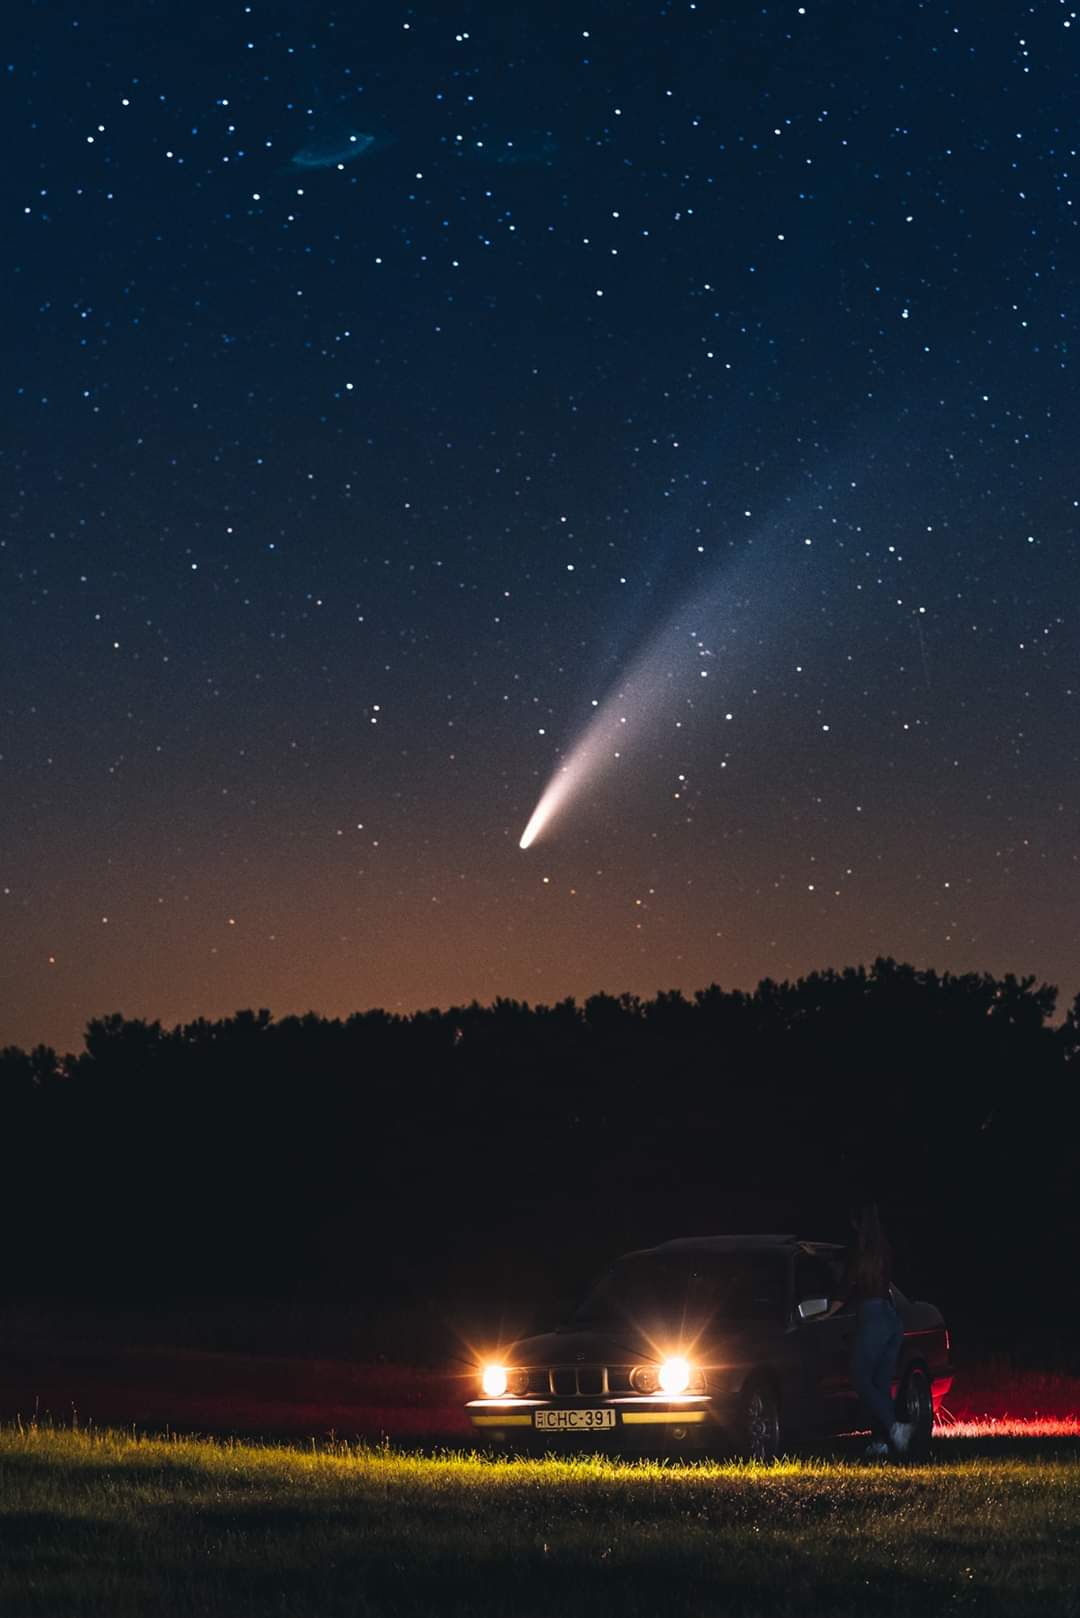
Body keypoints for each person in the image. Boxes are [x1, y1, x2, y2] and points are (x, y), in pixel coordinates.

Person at [821, 1205, 913, 1459]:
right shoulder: (883, 1251)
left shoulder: (858, 1254)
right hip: (891, 1316)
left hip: (872, 1317)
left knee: (860, 1377)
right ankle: (881, 1442)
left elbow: (845, 1288)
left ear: (857, 1224)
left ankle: (895, 1427)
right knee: (880, 1385)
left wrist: (827, 1313)